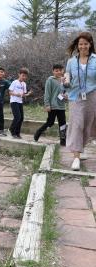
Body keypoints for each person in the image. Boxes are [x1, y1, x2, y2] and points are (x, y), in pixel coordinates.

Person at [64, 32, 96, 171]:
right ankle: (76, 157)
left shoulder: (95, 59)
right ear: (77, 45)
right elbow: (67, 78)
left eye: (85, 44)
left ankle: (80, 148)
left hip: (92, 96)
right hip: (75, 97)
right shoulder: (71, 61)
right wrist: (64, 82)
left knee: (88, 125)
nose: (83, 46)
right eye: (80, 44)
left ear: (90, 45)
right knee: (77, 124)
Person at [34, 64, 67, 145]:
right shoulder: (50, 80)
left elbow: (66, 91)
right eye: (56, 71)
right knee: (50, 122)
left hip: (61, 106)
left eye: (60, 70)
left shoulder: (64, 81)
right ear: (53, 71)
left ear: (63, 71)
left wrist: (66, 96)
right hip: (52, 106)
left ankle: (63, 141)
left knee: (63, 124)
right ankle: (38, 132)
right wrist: (47, 105)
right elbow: (47, 93)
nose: (58, 72)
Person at [8, 68, 32, 138]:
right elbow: (10, 92)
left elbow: (23, 94)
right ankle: (11, 130)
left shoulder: (24, 84)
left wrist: (28, 94)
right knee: (17, 117)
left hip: (20, 102)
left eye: (25, 76)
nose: (24, 77)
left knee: (21, 118)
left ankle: (17, 133)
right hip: (14, 101)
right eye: (23, 75)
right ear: (19, 74)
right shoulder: (14, 82)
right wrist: (16, 94)